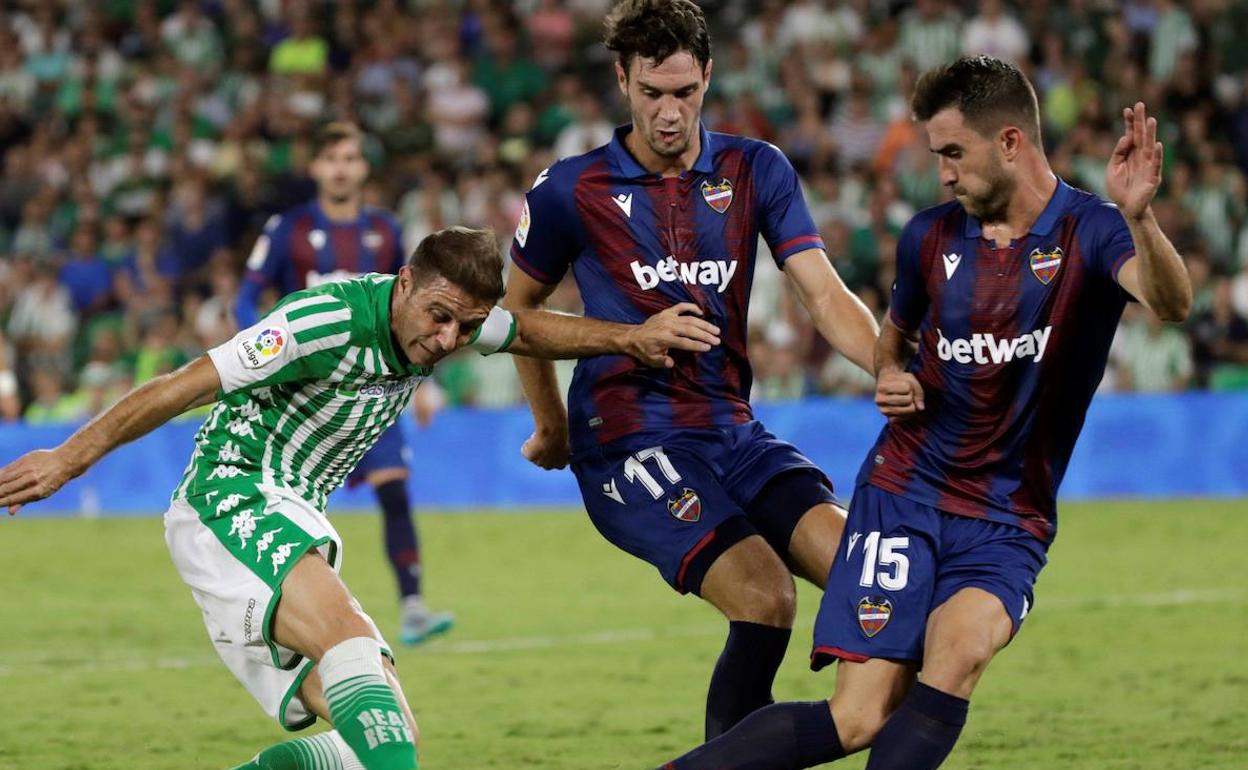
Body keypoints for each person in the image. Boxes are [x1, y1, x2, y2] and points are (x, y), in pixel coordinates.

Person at [0, 225, 721, 770]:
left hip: (294, 513)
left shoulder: (452, 319)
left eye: (465, 328)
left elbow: (529, 329)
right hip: (233, 495)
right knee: (349, 643)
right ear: (404, 283)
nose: (447, 341)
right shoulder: (325, 319)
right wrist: (69, 457)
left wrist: (631, 338)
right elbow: (184, 385)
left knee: (379, 737)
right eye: (439, 317)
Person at [655, 56, 1191, 769]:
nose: (942, 173)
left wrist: (1141, 217)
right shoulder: (930, 237)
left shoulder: (1090, 231)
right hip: (904, 494)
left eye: (953, 153)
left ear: (1010, 143)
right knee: (859, 717)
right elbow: (893, 336)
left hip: (1007, 515)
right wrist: (890, 373)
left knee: (962, 651)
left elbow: (1171, 302)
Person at [504, 0, 879, 741]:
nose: (669, 112)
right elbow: (513, 318)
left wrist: (891, 367)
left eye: (684, 92)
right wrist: (572, 402)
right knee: (767, 598)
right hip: (629, 442)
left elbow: (823, 294)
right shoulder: (570, 190)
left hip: (733, 432)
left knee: (867, 579)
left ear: (708, 75)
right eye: (652, 94)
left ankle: (787, 746)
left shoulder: (754, 168)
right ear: (621, 80)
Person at [238, 121, 450, 645]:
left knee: (395, 490)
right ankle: (268, 613)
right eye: (331, 157)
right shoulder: (286, 228)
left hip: (375, 391)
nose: (341, 167)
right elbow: (248, 297)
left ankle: (414, 606)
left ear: (363, 168)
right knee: (290, 508)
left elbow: (417, 309)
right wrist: (263, 352)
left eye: (351, 158)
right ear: (315, 167)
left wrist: (424, 381)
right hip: (303, 396)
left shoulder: (384, 230)